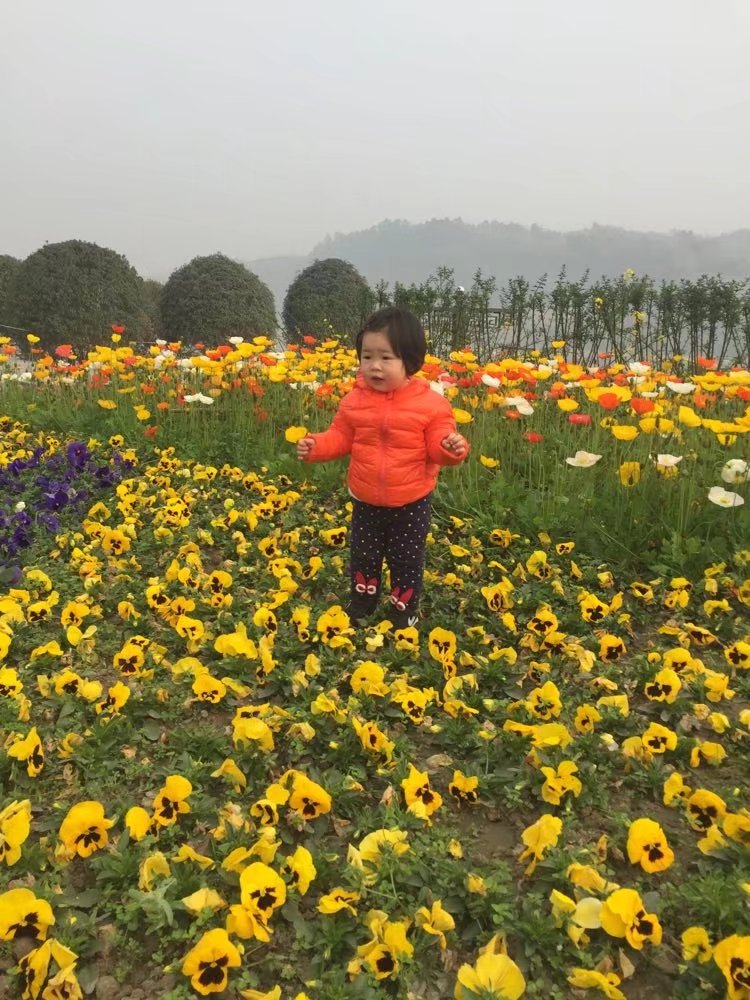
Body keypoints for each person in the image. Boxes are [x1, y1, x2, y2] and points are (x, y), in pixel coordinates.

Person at [296, 306, 469, 629]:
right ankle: (362, 602)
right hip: (365, 498)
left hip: (410, 501)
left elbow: (437, 446)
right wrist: (316, 446)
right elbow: (340, 437)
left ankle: (404, 610)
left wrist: (450, 449)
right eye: (367, 357)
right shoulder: (354, 401)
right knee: (364, 555)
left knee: (406, 559)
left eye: (386, 358)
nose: (374, 366)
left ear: (410, 361)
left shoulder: (431, 405)